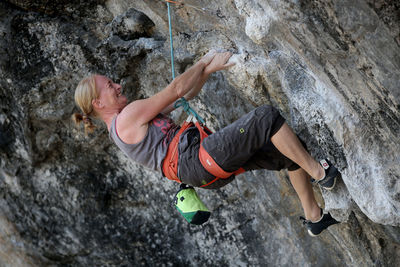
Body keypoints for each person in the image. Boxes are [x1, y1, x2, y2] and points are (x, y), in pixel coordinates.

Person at [73, 50, 340, 236]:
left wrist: (209, 68)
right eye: (110, 85)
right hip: (198, 160)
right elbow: (175, 89)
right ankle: (321, 174)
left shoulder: (124, 128)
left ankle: (314, 217)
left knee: (288, 151)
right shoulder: (125, 119)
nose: (118, 86)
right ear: (98, 103)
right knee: (266, 117)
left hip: (202, 171)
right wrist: (202, 62)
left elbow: (183, 97)